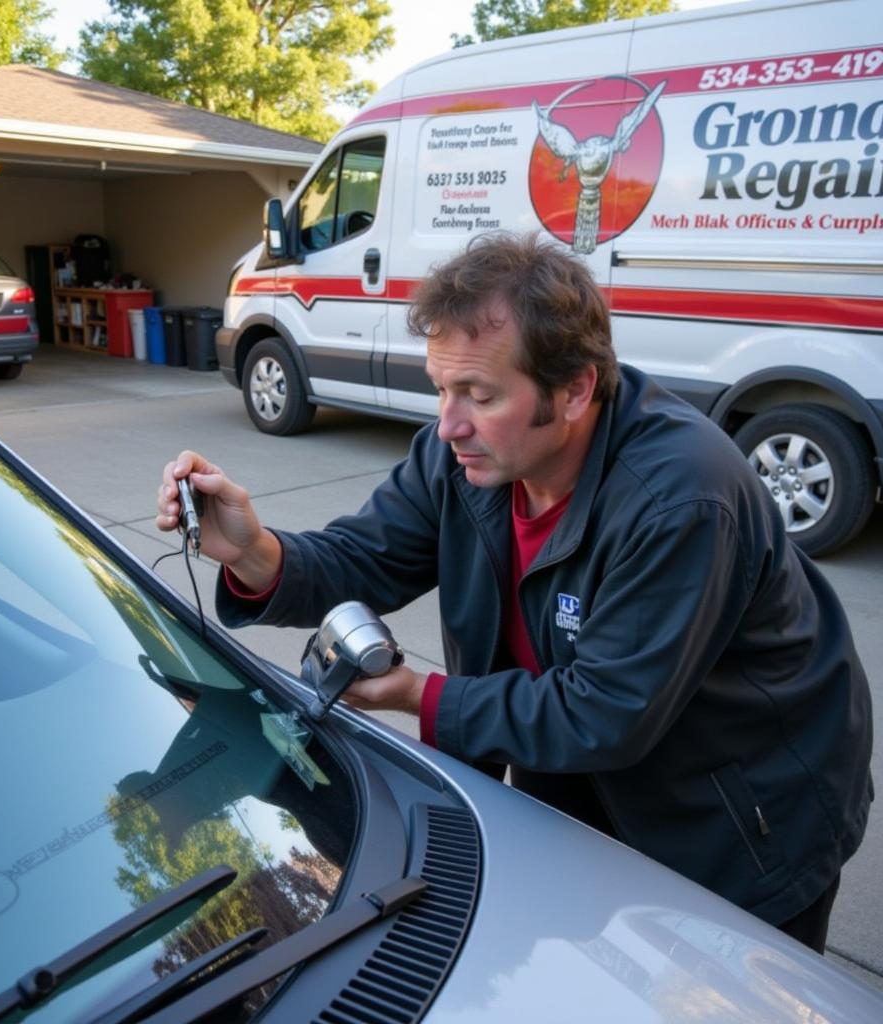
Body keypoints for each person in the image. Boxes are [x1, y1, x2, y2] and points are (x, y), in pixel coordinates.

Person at [156, 233, 872, 953]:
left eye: (479, 394)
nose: (447, 423)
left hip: (738, 816)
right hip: (575, 778)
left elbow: (605, 711)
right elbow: (364, 556)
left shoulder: (679, 497)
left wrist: (421, 697)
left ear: (576, 390)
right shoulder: (464, 457)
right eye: (442, 387)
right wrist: (254, 551)